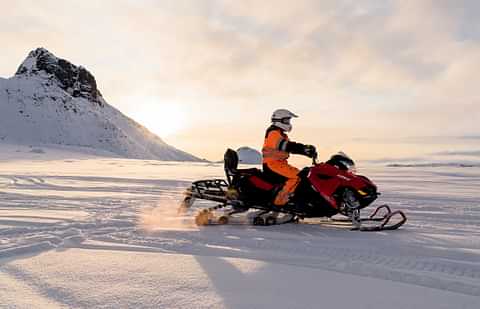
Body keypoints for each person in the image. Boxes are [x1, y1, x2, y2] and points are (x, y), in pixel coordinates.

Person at [262, 109, 317, 206]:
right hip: (272, 165)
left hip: (279, 164)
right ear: (279, 121)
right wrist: (303, 149)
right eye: (286, 121)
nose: (288, 123)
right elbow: (287, 146)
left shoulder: (280, 134)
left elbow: (290, 146)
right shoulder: (273, 132)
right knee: (296, 177)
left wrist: (306, 151)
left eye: (289, 121)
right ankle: (280, 202)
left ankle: (296, 200)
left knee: (302, 175)